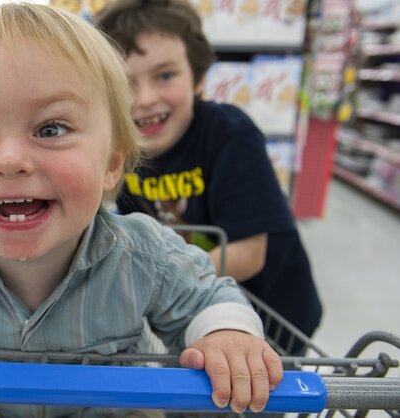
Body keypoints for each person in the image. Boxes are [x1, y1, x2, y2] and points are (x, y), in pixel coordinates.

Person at [0, 4, 282, 418]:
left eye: (50, 129)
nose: (9, 160)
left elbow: (207, 296)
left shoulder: (144, 255)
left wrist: (225, 333)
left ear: (112, 163)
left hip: (111, 406)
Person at [95, 0, 322, 353]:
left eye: (165, 75)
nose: (144, 99)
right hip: (196, 306)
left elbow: (248, 254)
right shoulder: (122, 148)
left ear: (199, 77)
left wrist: (158, 282)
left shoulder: (229, 133)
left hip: (271, 310)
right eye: (125, 83)